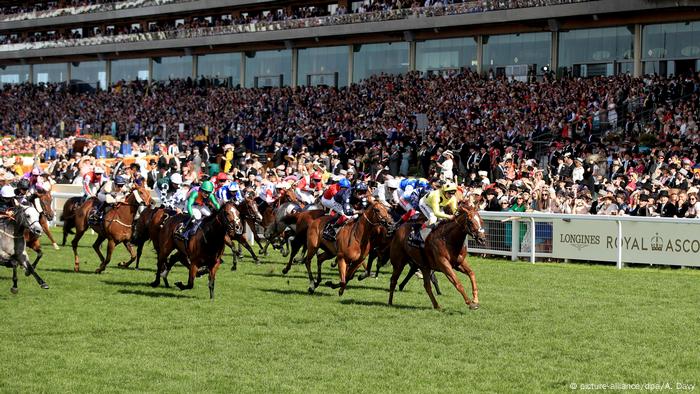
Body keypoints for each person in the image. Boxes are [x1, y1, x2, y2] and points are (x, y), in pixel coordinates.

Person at [410, 182, 458, 246]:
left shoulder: (453, 198)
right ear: (444, 192)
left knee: (443, 220)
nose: (451, 195)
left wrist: (457, 213)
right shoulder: (436, 195)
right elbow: (436, 213)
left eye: (453, 193)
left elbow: (455, 210)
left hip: (437, 206)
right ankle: (418, 235)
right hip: (425, 204)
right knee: (433, 219)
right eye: (449, 193)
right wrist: (449, 216)